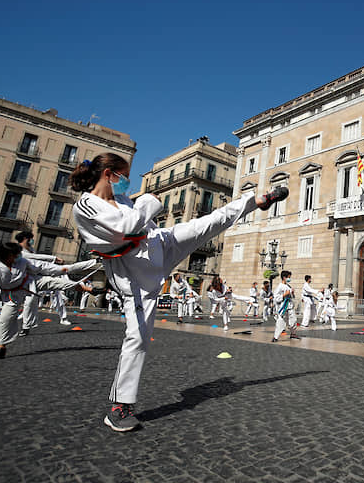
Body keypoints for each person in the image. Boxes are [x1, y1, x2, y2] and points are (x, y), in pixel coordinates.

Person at [70, 152, 288, 432]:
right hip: (135, 272)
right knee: (137, 338)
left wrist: (144, 206)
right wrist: (149, 202)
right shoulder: (86, 205)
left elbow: (138, 223)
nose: (126, 181)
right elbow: (125, 228)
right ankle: (119, 406)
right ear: (108, 174)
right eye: (123, 175)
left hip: (157, 243)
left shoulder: (123, 199)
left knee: (207, 224)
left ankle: (255, 201)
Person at [0, 242, 86, 360]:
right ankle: (1, 348)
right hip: (11, 295)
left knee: (50, 287)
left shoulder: (22, 262)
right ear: (7, 255)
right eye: (15, 254)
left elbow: (40, 267)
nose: (18, 256)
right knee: (4, 320)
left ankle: (87, 285)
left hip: (29, 285)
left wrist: (60, 269)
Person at [272, 270, 298, 341]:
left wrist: (292, 293)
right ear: (284, 277)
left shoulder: (288, 286)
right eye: (288, 277)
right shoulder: (280, 287)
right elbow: (276, 297)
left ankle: (293, 334)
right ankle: (275, 337)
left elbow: (292, 296)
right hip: (283, 306)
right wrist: (284, 295)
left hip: (290, 305)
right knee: (280, 321)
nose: (289, 279)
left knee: (293, 320)